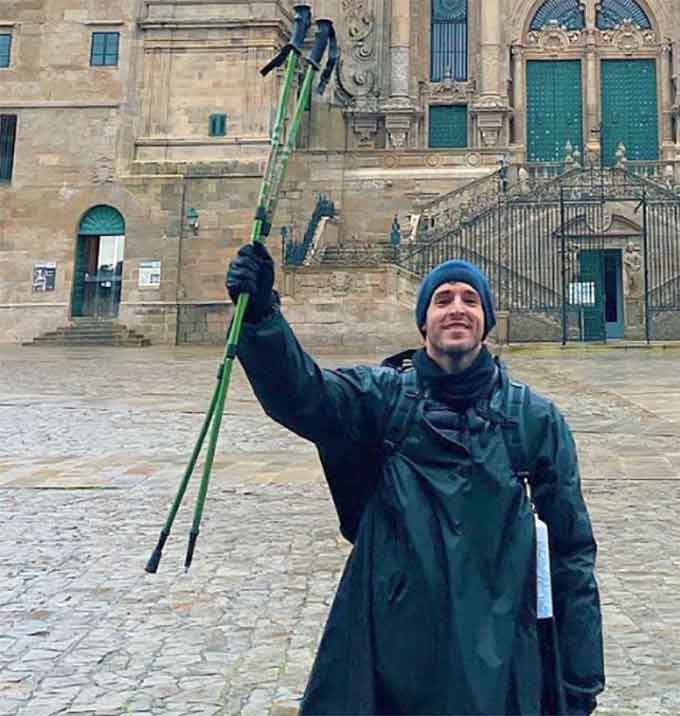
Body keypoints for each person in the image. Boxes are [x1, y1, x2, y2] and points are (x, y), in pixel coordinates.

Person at [225, 244, 605, 715]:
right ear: (423, 322)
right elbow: (303, 395)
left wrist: (580, 679)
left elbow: (571, 552)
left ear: (486, 321)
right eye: (442, 300)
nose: (457, 309)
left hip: (500, 647)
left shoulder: (534, 419)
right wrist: (262, 317)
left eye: (470, 299)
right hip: (393, 650)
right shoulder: (381, 398)